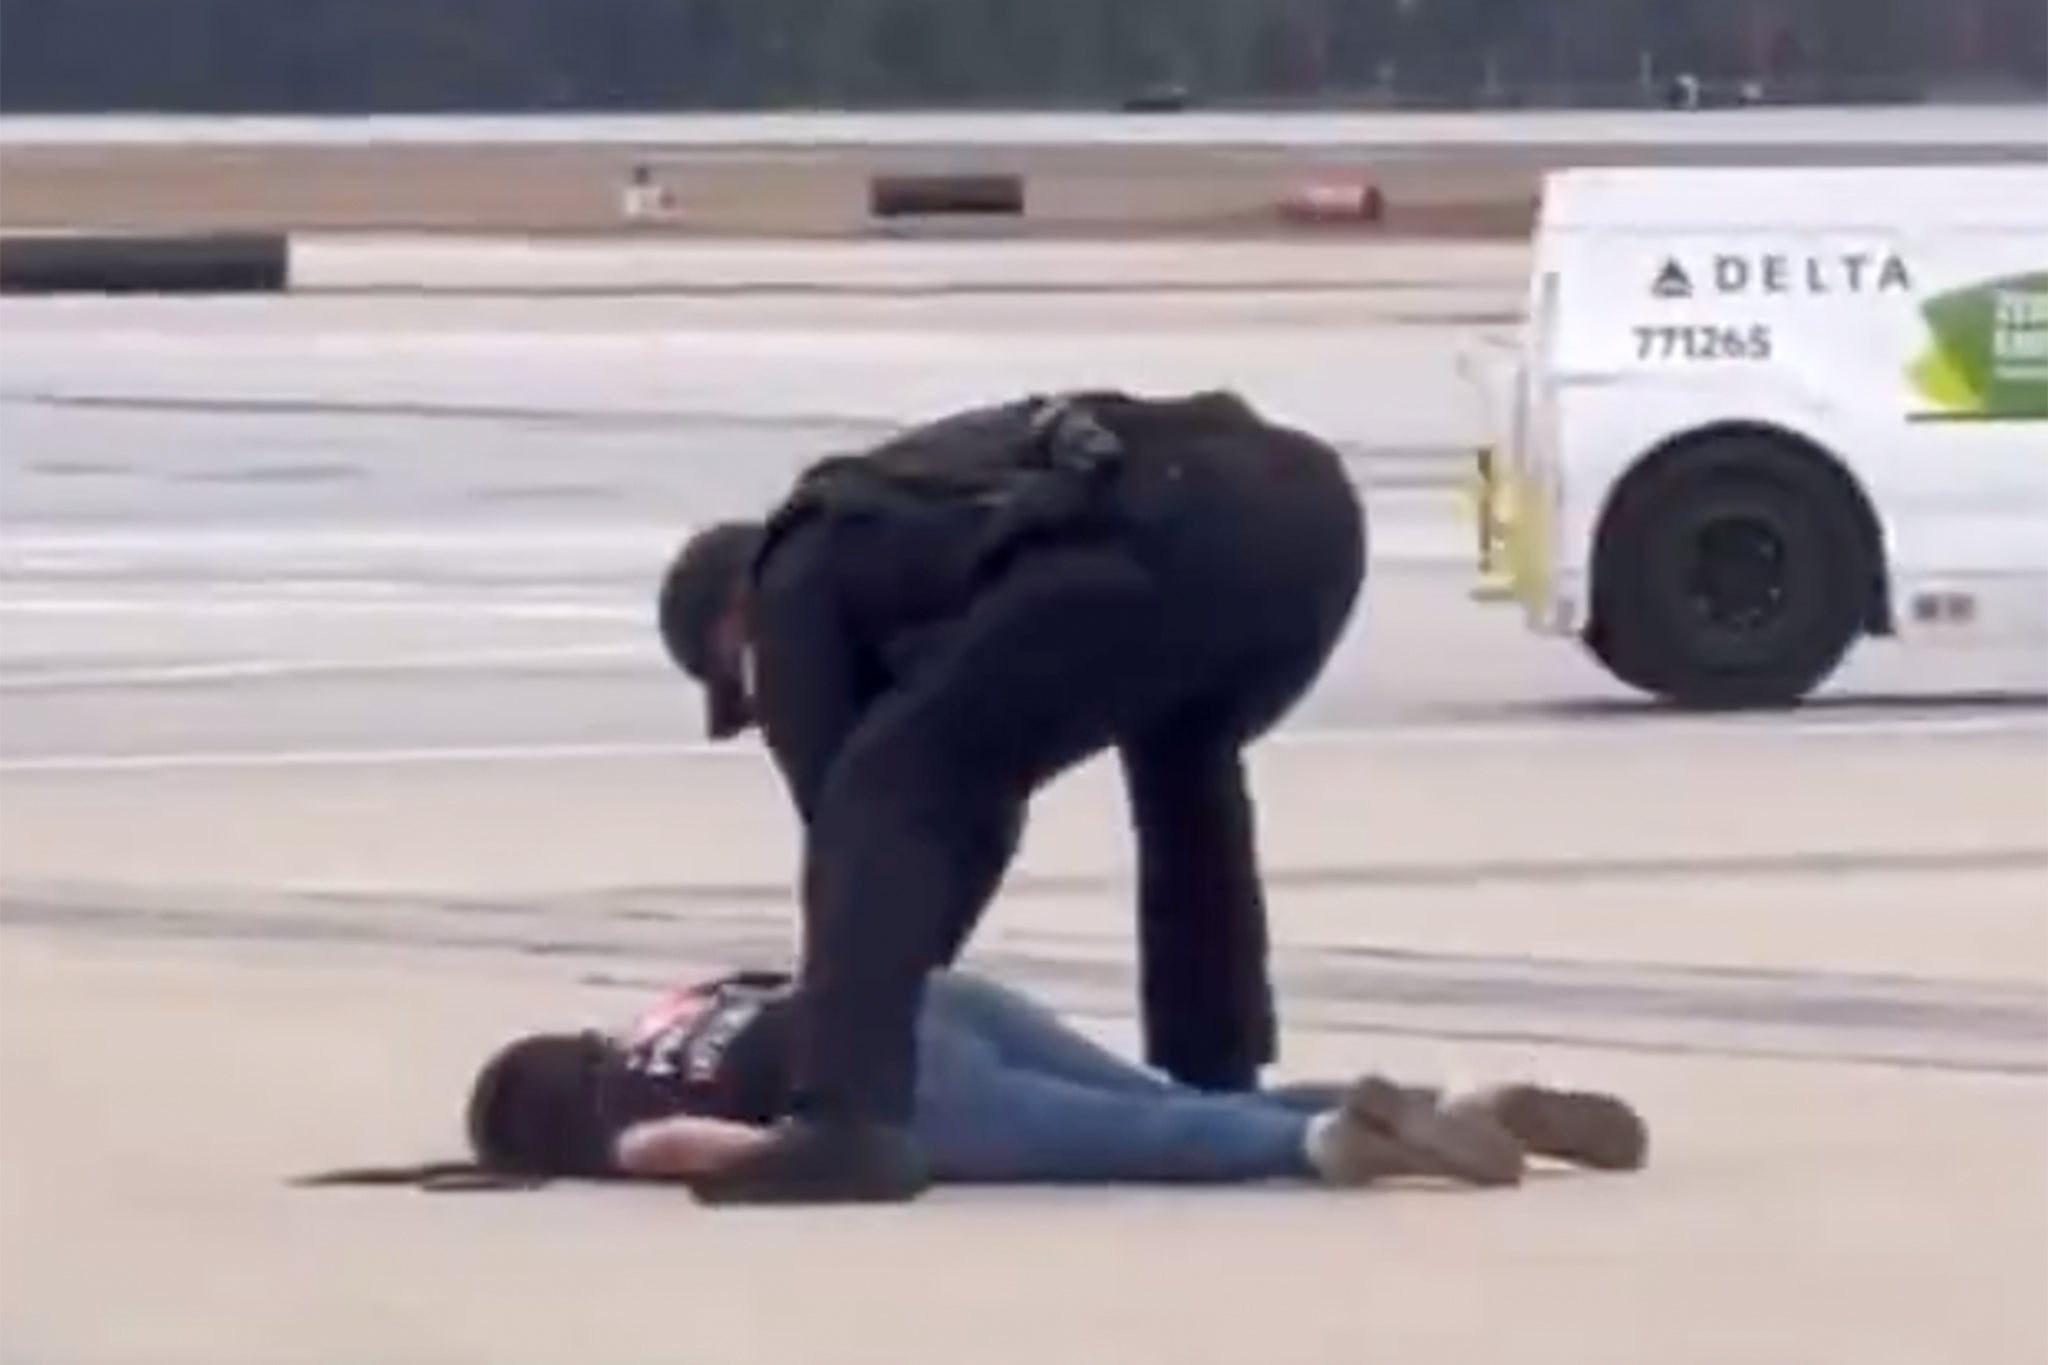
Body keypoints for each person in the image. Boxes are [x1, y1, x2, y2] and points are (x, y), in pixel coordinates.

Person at [655, 389, 1371, 1203]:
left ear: (733, 631)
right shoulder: (916, 515)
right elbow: (969, 800)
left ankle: (846, 1123)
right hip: (1305, 520)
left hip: (1159, 525)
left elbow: (860, 820)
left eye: (745, 690)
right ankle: (1213, 1068)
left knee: (883, 784)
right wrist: (911, 977)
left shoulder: (794, 566)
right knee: (1184, 771)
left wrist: (865, 1017)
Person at [298, 969, 1649, 1195]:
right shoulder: (672, 1009)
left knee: (1138, 1144)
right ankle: (1460, 1098)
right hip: (925, 990)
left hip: (891, 1075)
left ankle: (1337, 1155)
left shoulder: (620, 1119)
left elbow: (694, 1148)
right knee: (1161, 1091)